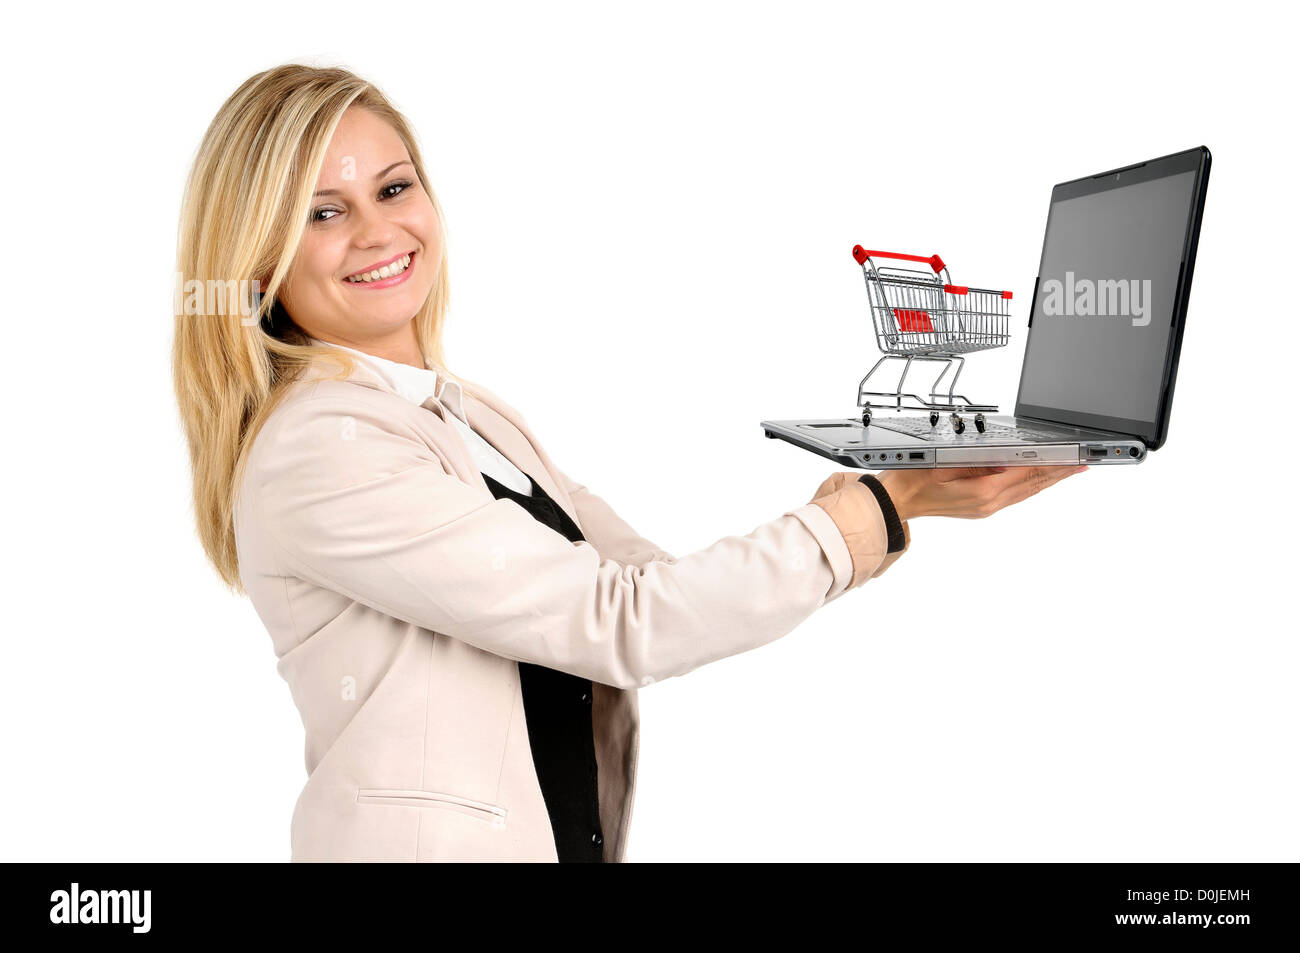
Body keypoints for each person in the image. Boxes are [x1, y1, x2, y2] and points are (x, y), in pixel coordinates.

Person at [172, 64, 1085, 863]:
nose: (377, 230)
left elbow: (650, 584)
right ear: (260, 264)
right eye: (324, 213)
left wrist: (876, 496)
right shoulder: (319, 451)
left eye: (395, 188)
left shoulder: (466, 413)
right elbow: (623, 621)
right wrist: (881, 508)